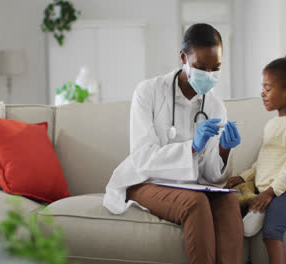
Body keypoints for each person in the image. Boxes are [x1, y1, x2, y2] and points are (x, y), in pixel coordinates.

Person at [103, 23, 243, 264]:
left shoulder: (215, 106)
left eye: (216, 68)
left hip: (193, 185)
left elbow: (211, 177)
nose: (209, 75)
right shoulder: (148, 92)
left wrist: (223, 149)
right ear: (183, 57)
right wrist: (193, 147)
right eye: (201, 67)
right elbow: (142, 158)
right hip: (145, 180)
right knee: (195, 203)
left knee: (228, 200)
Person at [225, 52, 286, 264]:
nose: (262, 93)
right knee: (234, 210)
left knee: (272, 232)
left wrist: (270, 192)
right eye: (262, 88)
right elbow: (262, 161)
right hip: (266, 188)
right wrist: (243, 176)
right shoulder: (272, 124)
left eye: (268, 88)